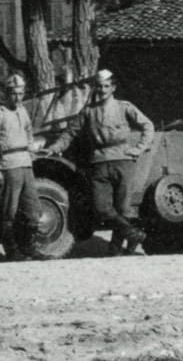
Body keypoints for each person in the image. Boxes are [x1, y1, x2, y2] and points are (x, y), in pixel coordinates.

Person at [46, 68, 154, 255]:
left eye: (106, 86)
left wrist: (139, 148)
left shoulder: (124, 107)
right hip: (99, 162)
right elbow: (70, 133)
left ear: (113, 88)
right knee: (101, 208)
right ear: (95, 88)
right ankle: (133, 234)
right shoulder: (88, 112)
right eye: (99, 86)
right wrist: (54, 148)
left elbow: (147, 125)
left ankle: (115, 249)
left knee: (123, 208)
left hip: (123, 161)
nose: (102, 90)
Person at [0, 72, 48, 261]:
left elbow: (29, 135)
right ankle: (12, 251)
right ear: (6, 93)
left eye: (20, 93)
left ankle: (29, 247)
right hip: (9, 165)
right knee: (9, 211)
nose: (18, 97)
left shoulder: (23, 111)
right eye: (13, 93)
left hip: (26, 164)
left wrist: (34, 151)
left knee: (33, 210)